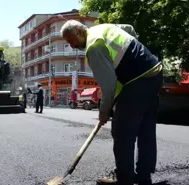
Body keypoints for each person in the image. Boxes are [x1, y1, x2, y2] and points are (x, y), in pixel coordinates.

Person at [60, 20, 163, 185]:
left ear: (79, 30)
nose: (71, 46)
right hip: (154, 73)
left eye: (70, 40)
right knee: (146, 130)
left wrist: (104, 112)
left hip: (136, 82)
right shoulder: (104, 28)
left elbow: (109, 86)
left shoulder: (93, 47)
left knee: (122, 133)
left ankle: (124, 179)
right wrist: (136, 58)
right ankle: (144, 176)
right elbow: (130, 28)